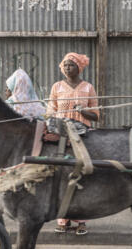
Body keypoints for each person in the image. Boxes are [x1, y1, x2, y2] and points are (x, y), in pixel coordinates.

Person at [46, 53, 98, 236]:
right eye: (65, 65)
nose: (68, 68)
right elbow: (50, 111)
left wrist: (83, 111)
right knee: (61, 175)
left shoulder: (88, 88)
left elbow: (96, 115)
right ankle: (63, 219)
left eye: (71, 65)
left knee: (81, 175)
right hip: (61, 135)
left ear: (79, 68)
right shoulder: (57, 87)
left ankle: (82, 221)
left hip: (82, 135)